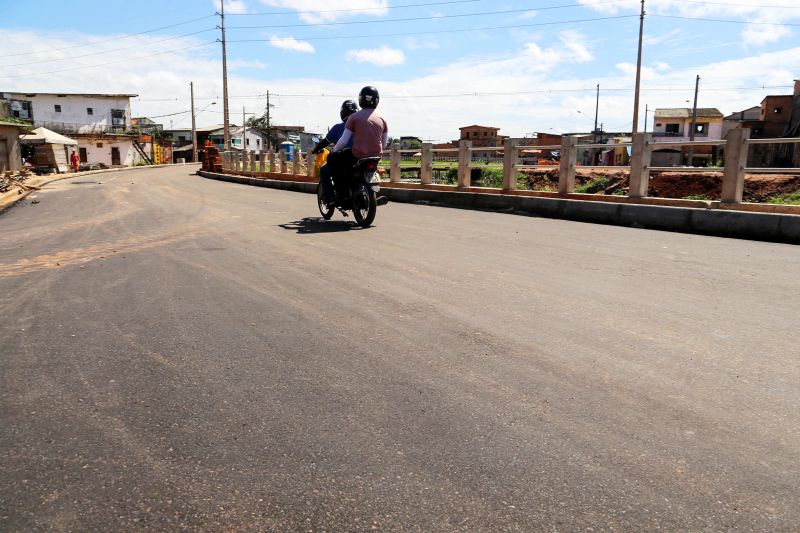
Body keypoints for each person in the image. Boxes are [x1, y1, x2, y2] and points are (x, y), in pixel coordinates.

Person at [326, 86, 388, 199]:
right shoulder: (382, 119)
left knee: (332, 159)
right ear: (377, 101)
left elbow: (343, 141)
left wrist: (334, 151)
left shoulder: (354, 117)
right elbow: (384, 144)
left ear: (361, 99)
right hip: (376, 156)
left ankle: (342, 193)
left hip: (357, 155)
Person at [315, 100, 358, 202]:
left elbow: (325, 142)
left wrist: (316, 149)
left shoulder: (338, 127)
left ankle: (329, 197)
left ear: (342, 113)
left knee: (323, 170)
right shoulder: (362, 126)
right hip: (362, 158)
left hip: (345, 160)